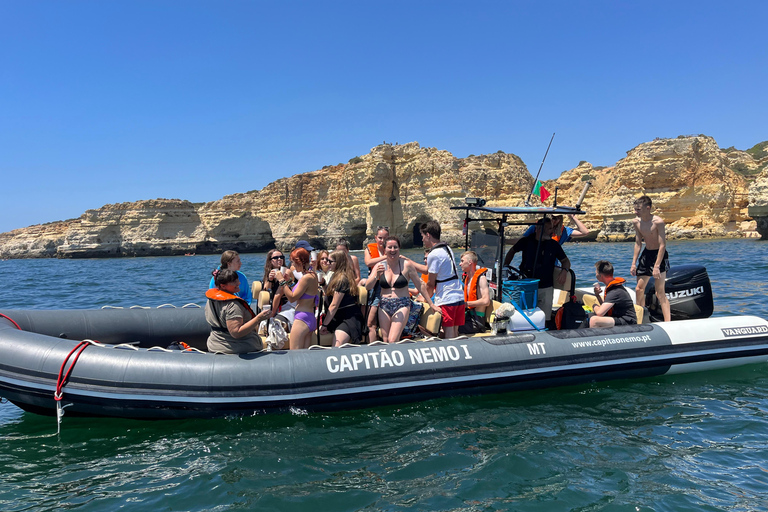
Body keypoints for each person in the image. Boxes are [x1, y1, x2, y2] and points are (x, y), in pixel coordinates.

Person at [365, 236, 440, 343]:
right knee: (385, 339)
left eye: (395, 247)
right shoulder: (379, 266)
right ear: (384, 249)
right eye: (389, 247)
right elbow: (368, 286)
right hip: (384, 304)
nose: (392, 250)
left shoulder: (407, 265)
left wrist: (431, 304)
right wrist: (376, 276)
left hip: (402, 304)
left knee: (392, 339)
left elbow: (420, 285)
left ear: (399, 248)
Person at [503, 217, 570, 321]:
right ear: (539, 229)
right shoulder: (526, 241)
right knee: (526, 315)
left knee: (545, 317)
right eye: (549, 229)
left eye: (552, 228)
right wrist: (505, 266)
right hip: (527, 285)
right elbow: (512, 251)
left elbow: (565, 261)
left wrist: (564, 271)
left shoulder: (553, 245)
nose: (552, 231)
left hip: (546, 286)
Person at [205, 269, 271, 354]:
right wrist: (259, 318)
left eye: (237, 280)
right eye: (234, 282)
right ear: (223, 286)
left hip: (214, 345)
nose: (238, 283)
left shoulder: (210, 300)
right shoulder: (233, 305)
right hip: (238, 347)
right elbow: (236, 333)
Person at [420, 220, 465, 339]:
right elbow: (428, 269)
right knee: (455, 332)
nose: (422, 239)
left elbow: (430, 282)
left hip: (447, 298)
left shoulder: (433, 255)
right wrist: (409, 262)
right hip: (458, 296)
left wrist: (427, 299)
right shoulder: (446, 248)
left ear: (428, 235)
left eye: (423, 236)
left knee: (449, 333)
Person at [631, 195, 671, 322]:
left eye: (638, 209)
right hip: (646, 255)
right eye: (635, 209)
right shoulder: (636, 222)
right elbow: (638, 243)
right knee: (639, 289)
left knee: (660, 292)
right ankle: (640, 320)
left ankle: (668, 322)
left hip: (659, 255)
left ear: (648, 208)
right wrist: (633, 263)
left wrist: (657, 266)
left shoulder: (658, 222)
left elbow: (662, 245)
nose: (636, 212)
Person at [274, 247, 319, 350]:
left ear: (300, 262)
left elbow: (292, 298)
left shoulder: (306, 278)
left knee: (295, 354)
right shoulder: (312, 275)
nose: (292, 266)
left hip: (301, 319)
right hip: (310, 317)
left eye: (294, 263)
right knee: (305, 356)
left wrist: (281, 281)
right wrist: (289, 282)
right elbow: (301, 292)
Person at [320, 250, 365, 346]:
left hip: (348, 318)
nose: (327, 263)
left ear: (339, 262)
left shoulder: (341, 279)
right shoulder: (335, 276)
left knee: (337, 345)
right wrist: (324, 284)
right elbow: (330, 294)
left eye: (330, 261)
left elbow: (334, 304)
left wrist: (324, 325)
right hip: (338, 317)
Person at [589, 260, 637, 327]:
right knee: (589, 316)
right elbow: (605, 308)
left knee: (594, 320)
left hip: (627, 321)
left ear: (600, 275)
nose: (595, 274)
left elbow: (600, 313)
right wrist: (597, 295)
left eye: (596, 272)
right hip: (617, 317)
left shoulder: (615, 291)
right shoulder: (612, 288)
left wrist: (594, 306)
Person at [363, 226, 390, 343]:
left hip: (386, 287)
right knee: (369, 320)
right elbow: (368, 262)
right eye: (380, 238)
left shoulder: (392, 250)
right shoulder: (369, 249)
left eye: (385, 238)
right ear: (375, 237)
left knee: (374, 322)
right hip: (373, 284)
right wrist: (385, 256)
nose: (382, 240)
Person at [458, 251, 491, 334]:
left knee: (450, 327)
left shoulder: (481, 278)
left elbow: (486, 301)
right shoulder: (467, 279)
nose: (460, 264)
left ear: (470, 262)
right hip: (467, 316)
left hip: (476, 321)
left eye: (462, 261)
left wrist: (466, 304)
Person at [521, 213, 589, 246]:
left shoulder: (564, 231)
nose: (556, 220)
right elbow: (521, 240)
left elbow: (585, 232)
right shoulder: (536, 227)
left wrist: (572, 216)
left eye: (559, 218)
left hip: (552, 262)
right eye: (554, 218)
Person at [262, 249, 290, 317]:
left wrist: (272, 313)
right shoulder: (269, 272)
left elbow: (279, 293)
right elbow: (266, 291)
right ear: (271, 261)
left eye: (281, 257)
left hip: (285, 304)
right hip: (273, 304)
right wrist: (270, 280)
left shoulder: (287, 272)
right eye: (276, 258)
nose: (279, 259)